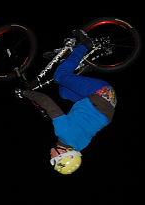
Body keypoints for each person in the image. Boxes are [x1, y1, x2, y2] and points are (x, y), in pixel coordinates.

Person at [18, 30, 117, 175]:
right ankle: (84, 45)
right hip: (101, 93)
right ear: (62, 153)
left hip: (106, 106)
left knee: (63, 92)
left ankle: (68, 60)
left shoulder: (79, 146)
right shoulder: (63, 132)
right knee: (59, 76)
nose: (51, 158)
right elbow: (47, 102)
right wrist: (25, 94)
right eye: (54, 160)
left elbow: (77, 125)